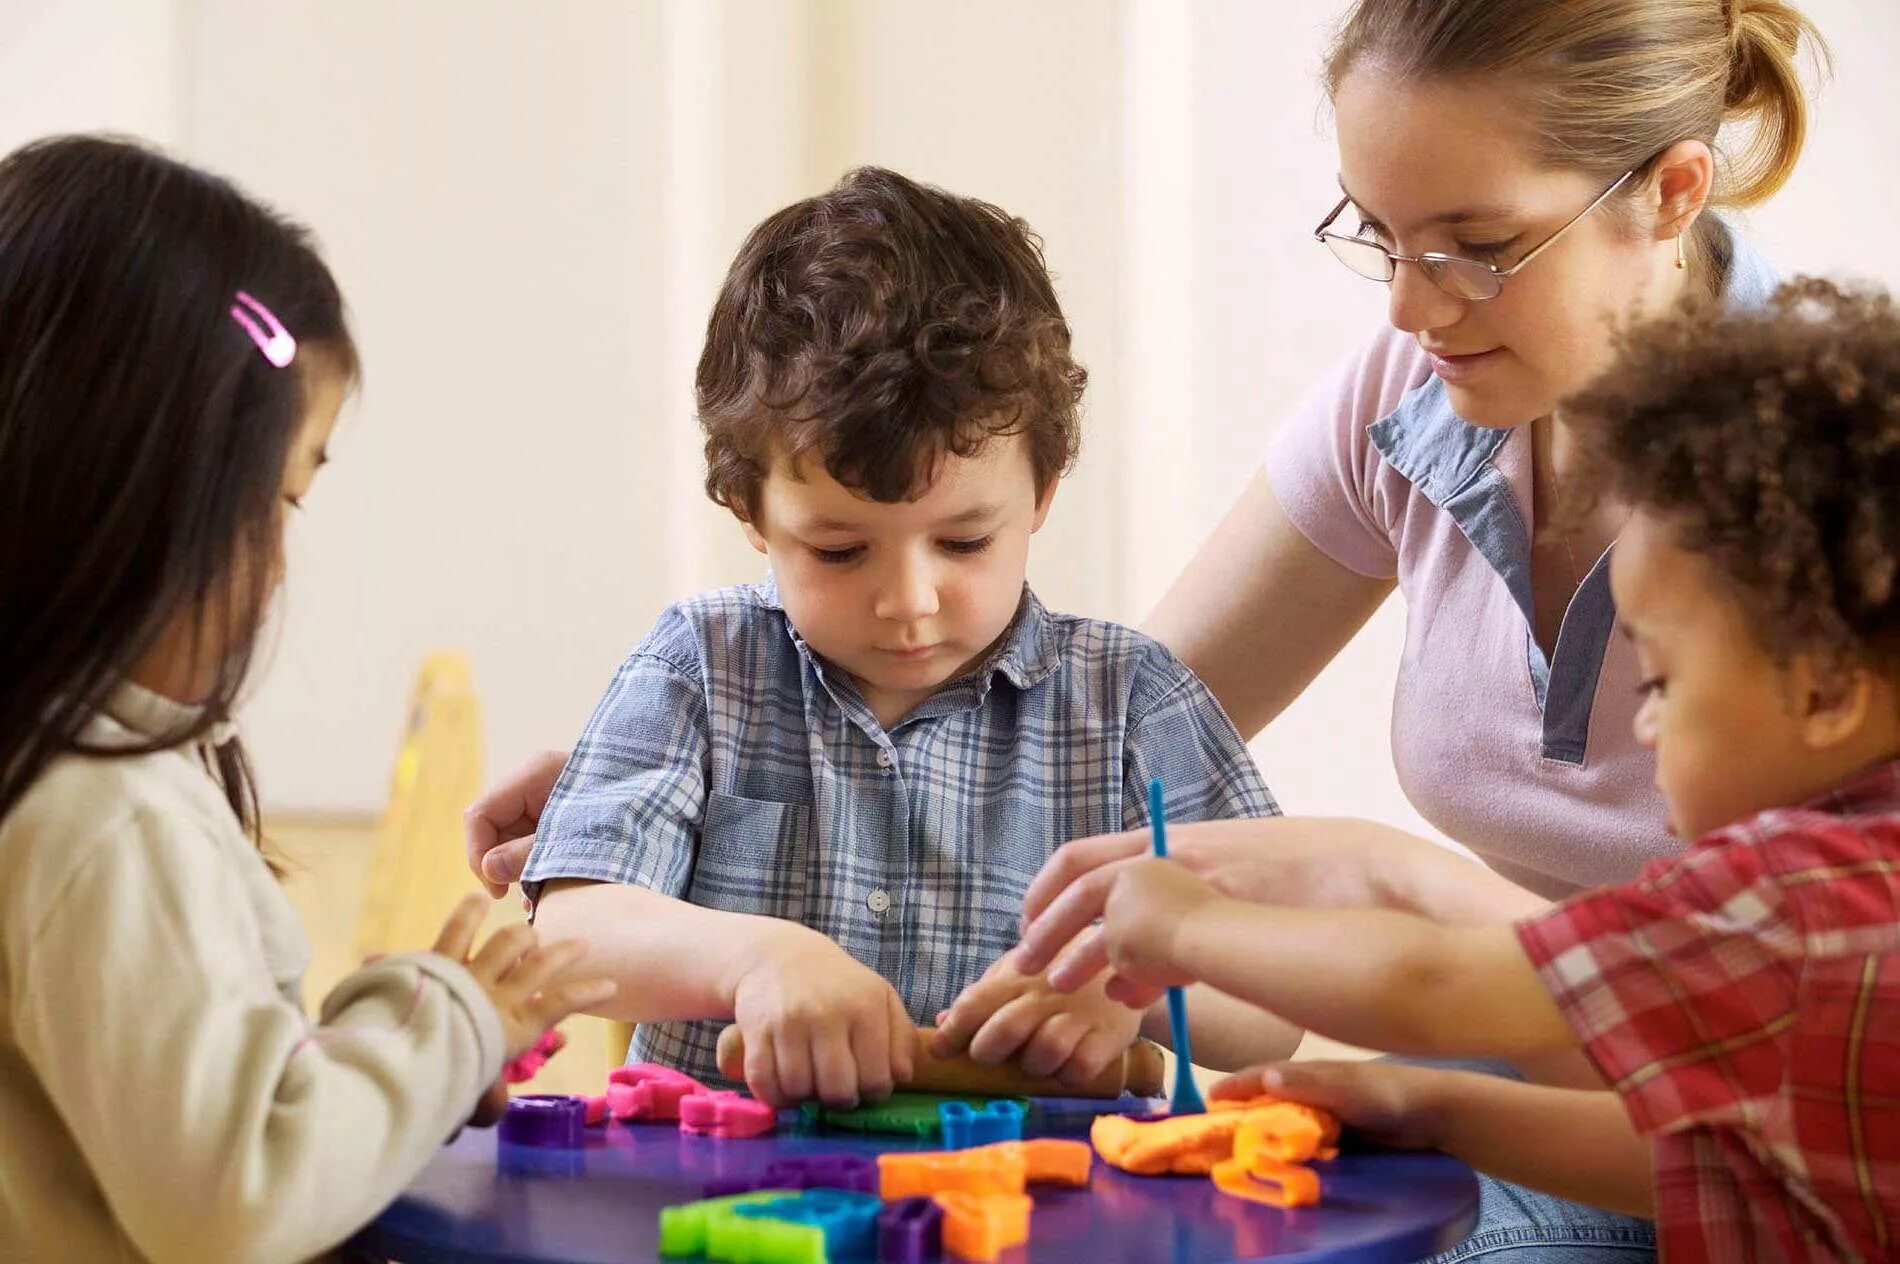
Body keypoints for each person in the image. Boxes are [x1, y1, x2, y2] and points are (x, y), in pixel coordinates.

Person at [1046, 278, 1900, 1263]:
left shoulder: (1792, 897)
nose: (1646, 720)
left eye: (1661, 677)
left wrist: (1183, 926)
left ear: (1828, 690)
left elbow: (1430, 983)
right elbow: (1712, 1161)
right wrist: (1436, 1104)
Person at [507, 168, 1287, 1107]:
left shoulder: (1133, 700)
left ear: (1041, 492)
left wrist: (1133, 981)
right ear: (750, 511)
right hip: (725, 1205)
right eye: (839, 552)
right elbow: (568, 936)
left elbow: (1273, 998)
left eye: (964, 541)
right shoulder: (699, 667)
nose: (908, 601)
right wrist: (757, 958)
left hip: (1042, 1217)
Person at [0, 135, 613, 1263]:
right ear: (140, 492)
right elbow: (241, 1196)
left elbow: (187, 1121)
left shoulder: (55, 783)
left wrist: (420, 1057)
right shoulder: (107, 817)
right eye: (278, 499)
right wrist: (451, 1024)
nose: (281, 565)